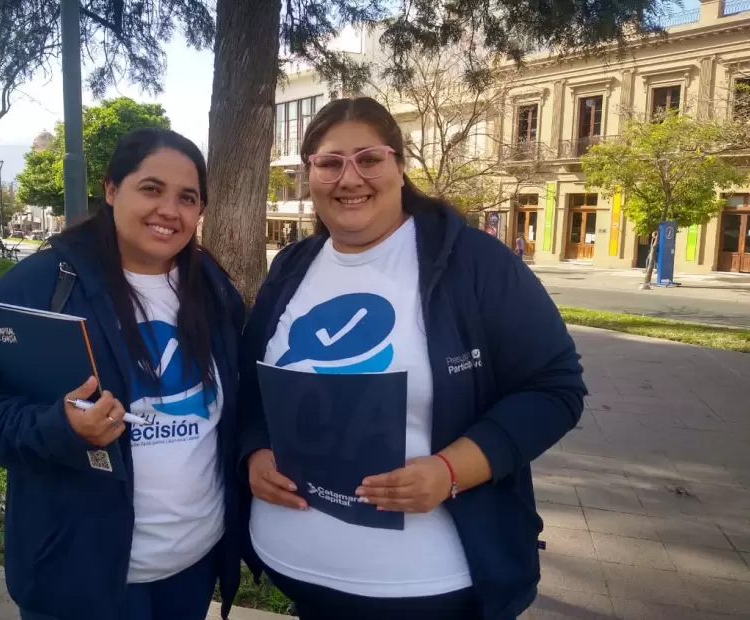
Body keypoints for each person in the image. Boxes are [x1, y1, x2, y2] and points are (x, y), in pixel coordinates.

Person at [238, 97, 587, 620]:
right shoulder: (291, 267)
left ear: (400, 167)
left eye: (369, 159)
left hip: (426, 585)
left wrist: (450, 470)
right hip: (298, 570)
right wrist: (254, 452)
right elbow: (251, 388)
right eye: (330, 163)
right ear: (310, 174)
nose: (349, 178)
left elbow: (555, 388)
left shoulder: (473, 261)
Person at [0, 128, 245, 620]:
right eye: (151, 188)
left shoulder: (212, 286)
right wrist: (60, 429)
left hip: (192, 567)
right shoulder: (43, 285)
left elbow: (238, 403)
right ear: (110, 189)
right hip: (80, 579)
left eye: (187, 197)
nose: (170, 209)